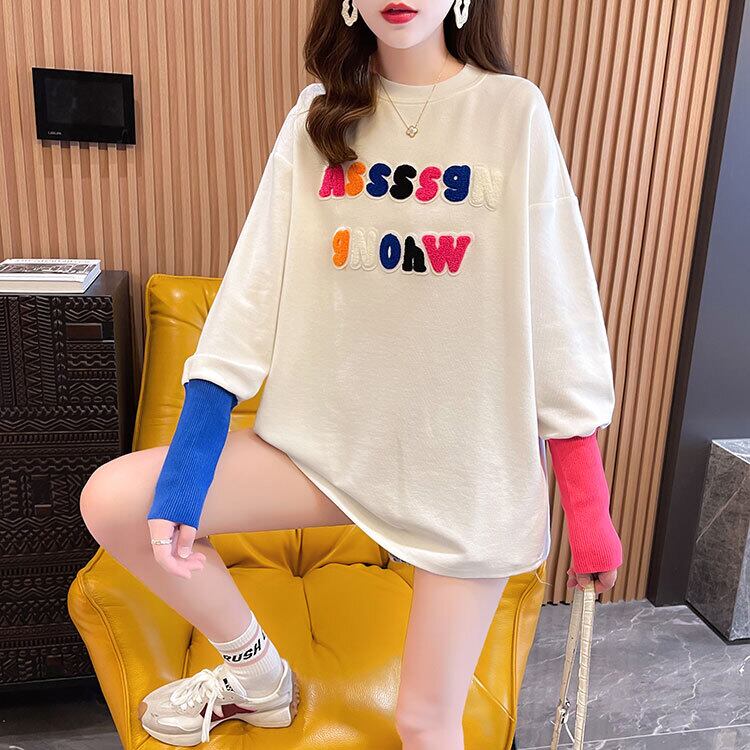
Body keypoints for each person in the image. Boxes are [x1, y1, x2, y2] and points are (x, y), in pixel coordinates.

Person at [79, 0, 623, 747]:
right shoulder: (317, 118)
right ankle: (257, 676)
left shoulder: (511, 111)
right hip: (327, 450)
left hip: (464, 471)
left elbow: (559, 307)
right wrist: (191, 460)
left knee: (425, 723)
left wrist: (586, 504)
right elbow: (253, 288)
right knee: (112, 502)